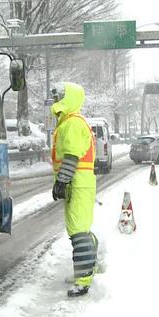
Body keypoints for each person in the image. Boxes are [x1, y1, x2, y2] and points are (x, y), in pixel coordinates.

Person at [50, 82, 99, 297]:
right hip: (78, 183)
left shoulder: (72, 123)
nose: (55, 100)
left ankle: (84, 279)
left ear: (69, 98)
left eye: (59, 96)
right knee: (80, 229)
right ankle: (87, 269)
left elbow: (71, 155)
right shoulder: (70, 122)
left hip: (77, 183)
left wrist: (62, 181)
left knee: (79, 232)